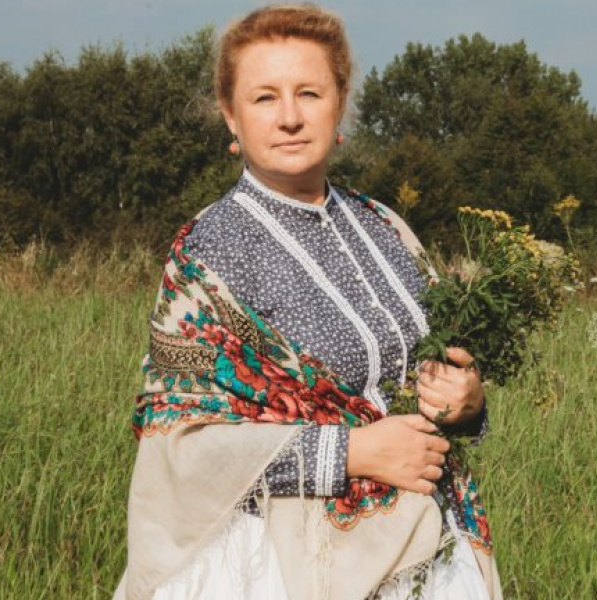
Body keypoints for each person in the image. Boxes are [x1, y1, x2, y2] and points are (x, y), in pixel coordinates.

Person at [113, 5, 501, 599]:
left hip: (429, 545)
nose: (290, 117)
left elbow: (438, 367)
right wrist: (354, 451)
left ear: (339, 104)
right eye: (265, 98)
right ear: (231, 116)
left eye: (310, 93)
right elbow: (182, 446)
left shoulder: (384, 226)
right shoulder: (209, 251)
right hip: (284, 562)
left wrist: (467, 402)